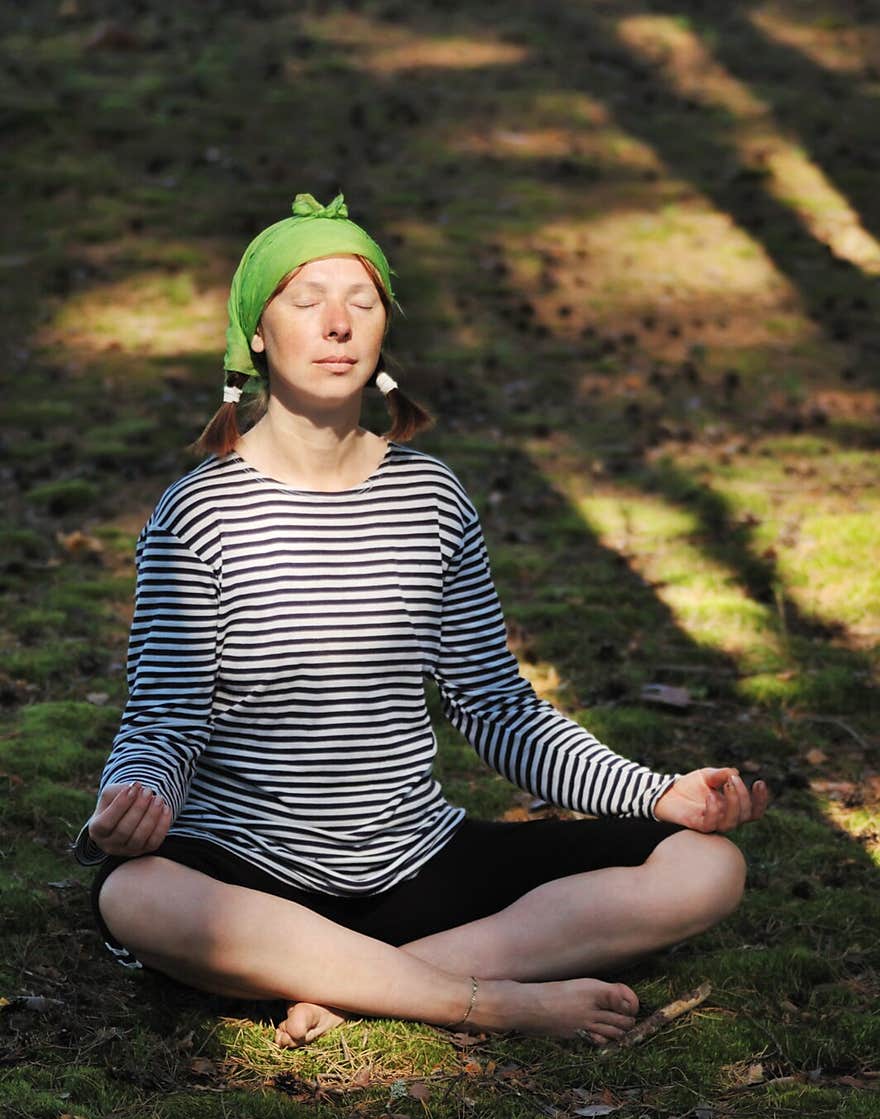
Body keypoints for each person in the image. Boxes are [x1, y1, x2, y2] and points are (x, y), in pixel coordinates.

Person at [73, 191, 769, 1049]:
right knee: (134, 893)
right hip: (249, 875)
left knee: (706, 865)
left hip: (417, 862)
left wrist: (656, 793)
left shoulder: (431, 497)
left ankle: (359, 982)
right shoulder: (199, 513)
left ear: (381, 332)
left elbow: (497, 707)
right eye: (306, 301)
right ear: (256, 334)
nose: (337, 324)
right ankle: (484, 999)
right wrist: (135, 795)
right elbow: (164, 717)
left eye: (360, 303)